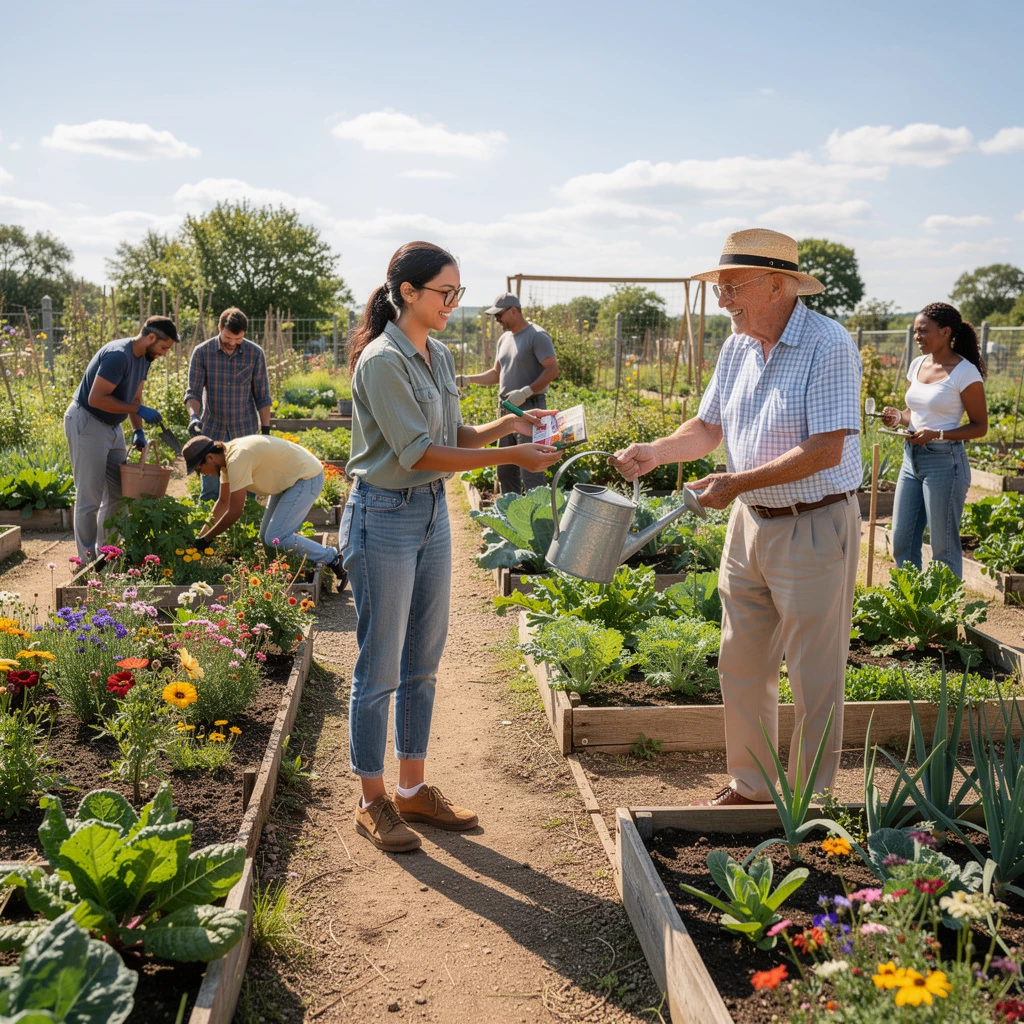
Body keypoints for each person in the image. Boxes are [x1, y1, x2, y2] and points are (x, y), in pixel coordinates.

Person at [610, 228, 862, 807]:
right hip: (749, 522)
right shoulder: (738, 346)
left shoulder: (828, 344)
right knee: (741, 662)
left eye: (731, 286)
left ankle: (807, 801)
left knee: (813, 676)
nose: (722, 299)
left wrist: (736, 482)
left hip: (814, 522)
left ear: (779, 284)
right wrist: (656, 451)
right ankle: (752, 786)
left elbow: (827, 449)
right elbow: (706, 429)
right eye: (720, 286)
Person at [343, 241, 562, 852]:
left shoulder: (437, 355)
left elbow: (451, 435)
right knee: (380, 664)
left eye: (458, 292)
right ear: (407, 293)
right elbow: (417, 453)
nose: (454, 303)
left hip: (432, 513)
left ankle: (412, 791)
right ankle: (372, 800)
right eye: (446, 292)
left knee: (424, 660)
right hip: (383, 515)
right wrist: (511, 456)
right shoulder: (383, 361)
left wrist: (511, 427)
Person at [881, 302, 987, 578]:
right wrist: (898, 418)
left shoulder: (965, 373)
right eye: (915, 331)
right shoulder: (917, 364)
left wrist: (937, 434)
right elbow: (914, 413)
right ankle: (912, 608)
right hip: (911, 461)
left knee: (943, 549)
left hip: (946, 463)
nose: (917, 337)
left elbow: (980, 427)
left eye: (923, 331)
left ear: (945, 332)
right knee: (902, 541)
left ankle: (943, 617)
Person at [64, 315, 180, 562]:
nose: (165, 354)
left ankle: (107, 555)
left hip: (112, 427)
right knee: (89, 496)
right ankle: (86, 561)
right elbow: (96, 398)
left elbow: (134, 400)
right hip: (88, 421)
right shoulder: (118, 355)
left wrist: (138, 430)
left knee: (119, 493)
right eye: (164, 347)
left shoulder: (144, 359)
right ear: (150, 338)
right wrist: (137, 411)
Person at [180, 433, 341, 569]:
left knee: (277, 537)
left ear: (209, 457)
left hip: (306, 477)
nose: (204, 474)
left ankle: (331, 557)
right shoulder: (226, 462)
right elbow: (223, 502)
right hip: (289, 480)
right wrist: (200, 538)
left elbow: (235, 511)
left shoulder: (236, 458)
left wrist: (207, 539)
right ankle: (308, 561)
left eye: (200, 470)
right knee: (266, 537)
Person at [456, 292, 559, 494]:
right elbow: (496, 374)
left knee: (531, 470)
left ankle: (539, 521)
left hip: (530, 410)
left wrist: (526, 392)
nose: (497, 320)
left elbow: (552, 369)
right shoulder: (504, 339)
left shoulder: (537, 336)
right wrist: (468, 379)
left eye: (499, 315)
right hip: (507, 409)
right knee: (505, 469)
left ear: (513, 311)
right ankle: (510, 518)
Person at [185, 307, 273, 502]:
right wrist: (194, 417)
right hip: (212, 429)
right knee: (210, 489)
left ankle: (245, 530)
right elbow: (193, 392)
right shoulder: (202, 353)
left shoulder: (254, 354)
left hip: (245, 429)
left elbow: (262, 396)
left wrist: (265, 431)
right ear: (219, 327)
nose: (232, 343)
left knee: (246, 490)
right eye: (228, 338)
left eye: (238, 339)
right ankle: (207, 531)